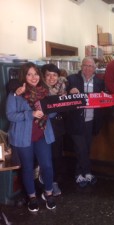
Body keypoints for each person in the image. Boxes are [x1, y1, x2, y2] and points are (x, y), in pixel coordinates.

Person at [6, 62, 56, 212]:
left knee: (47, 166)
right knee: (27, 168)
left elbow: (52, 112)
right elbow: (10, 115)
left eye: (35, 74)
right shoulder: (16, 93)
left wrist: (54, 109)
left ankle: (49, 193)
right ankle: (32, 197)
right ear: (24, 76)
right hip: (23, 138)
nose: (33, 77)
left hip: (42, 135)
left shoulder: (45, 91)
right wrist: (31, 114)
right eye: (29, 74)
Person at [66, 57, 105, 187]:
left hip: (91, 120)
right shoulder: (72, 79)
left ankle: (81, 174)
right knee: (80, 147)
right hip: (76, 120)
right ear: (81, 67)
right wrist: (69, 92)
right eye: (85, 65)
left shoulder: (99, 82)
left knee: (85, 148)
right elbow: (63, 96)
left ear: (94, 68)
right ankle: (86, 173)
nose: (88, 68)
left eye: (90, 66)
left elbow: (104, 97)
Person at [40, 63, 67, 196]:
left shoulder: (62, 87)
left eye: (54, 75)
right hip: (43, 127)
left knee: (56, 155)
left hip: (57, 126)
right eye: (48, 75)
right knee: (45, 156)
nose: (51, 78)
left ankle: (53, 182)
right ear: (43, 76)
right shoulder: (38, 90)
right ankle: (45, 180)